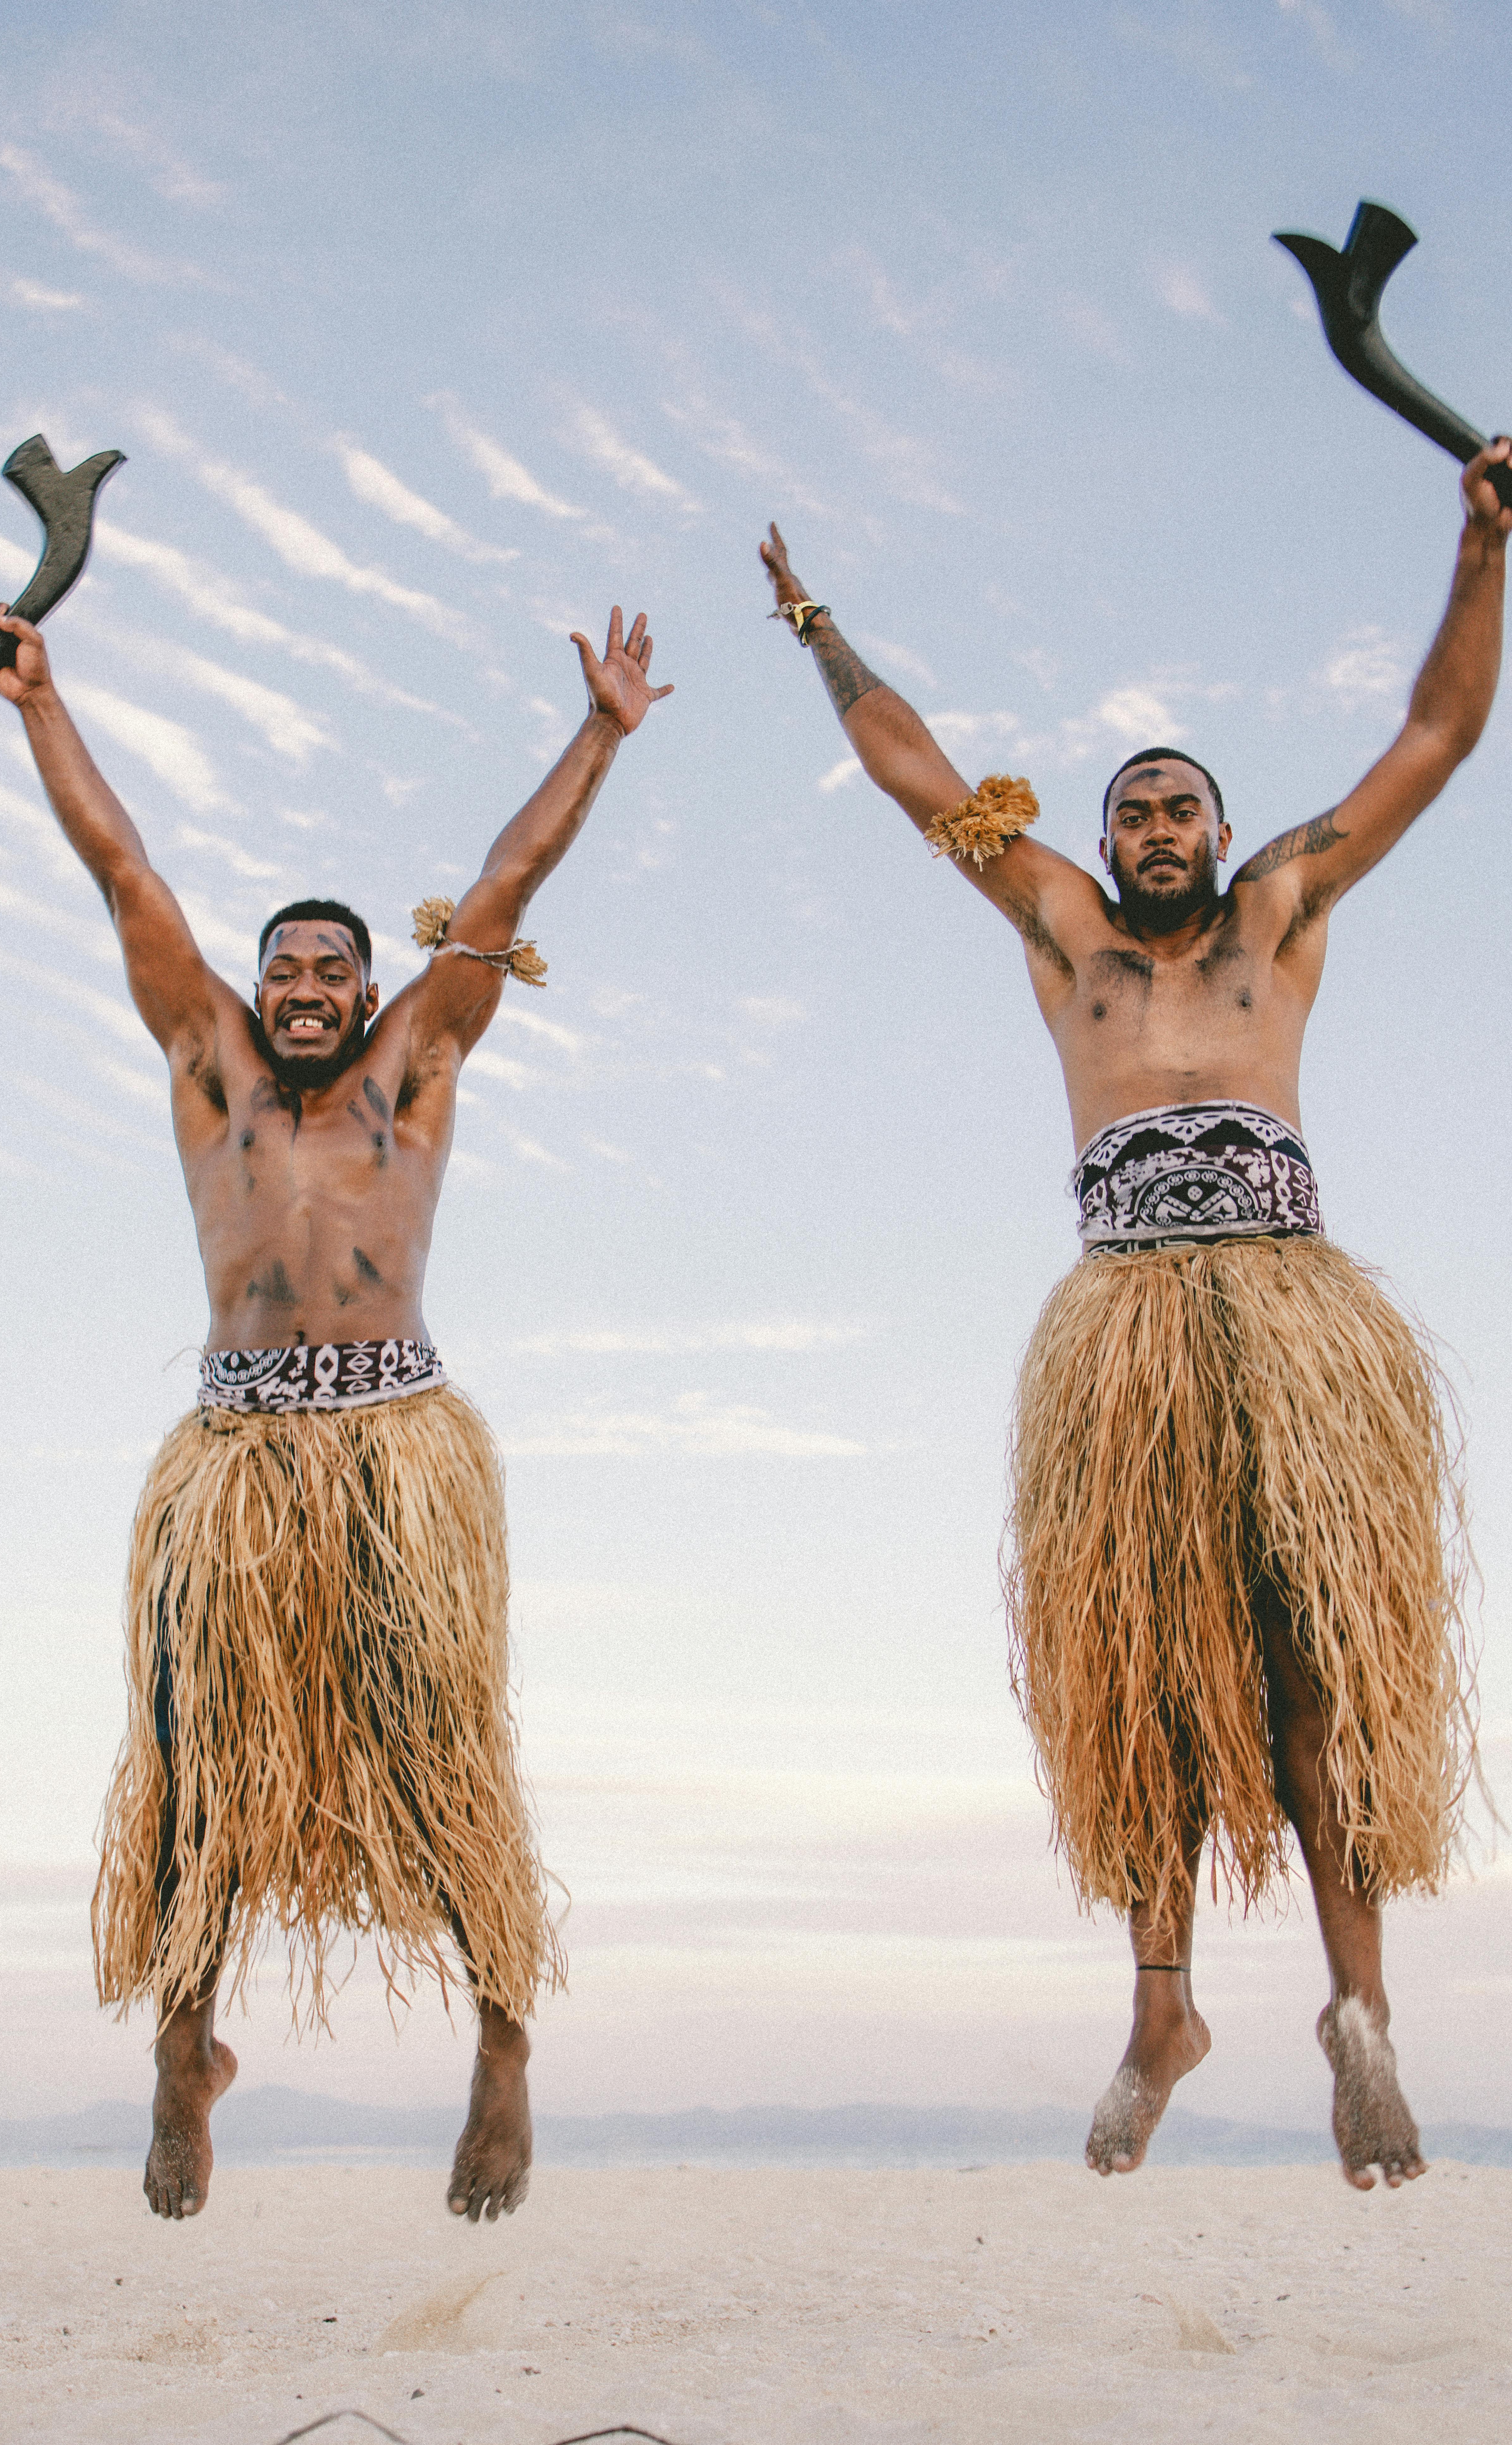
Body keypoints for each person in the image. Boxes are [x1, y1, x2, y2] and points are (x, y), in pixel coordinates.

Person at [757, 435, 1509, 2191]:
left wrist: (1481, 548)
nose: (1158, 827)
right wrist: (817, 629)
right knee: (1147, 1673)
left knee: (1319, 1654)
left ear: (1225, 830)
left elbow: (1434, 738)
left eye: (1182, 805)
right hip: (1121, 1336)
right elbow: (909, 767)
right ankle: (1159, 2005)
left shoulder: (1281, 910)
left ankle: (1359, 2013)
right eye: (1133, 809)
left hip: (1288, 1317)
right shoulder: (1063, 930)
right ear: (1097, 836)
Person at [0, 597, 673, 2224]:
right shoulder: (206, 1060)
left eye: (327, 971)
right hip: (231, 1460)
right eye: (280, 967)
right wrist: (41, 706)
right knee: (195, 1756)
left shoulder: (411, 1069)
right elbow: (128, 873)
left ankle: (502, 2043)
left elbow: (501, 887)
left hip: (398, 1452)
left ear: (366, 991)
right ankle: (183, 2053)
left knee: (442, 1747)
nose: (298, 989)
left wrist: (601, 733)